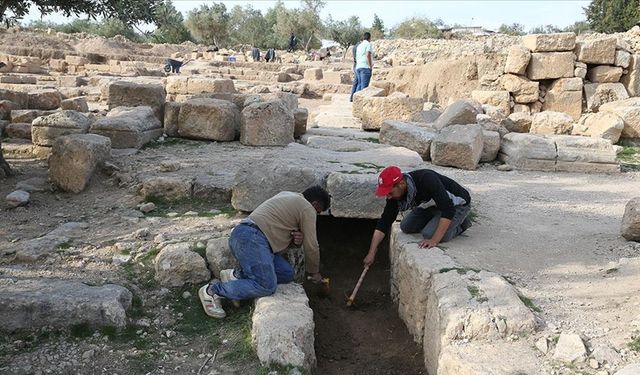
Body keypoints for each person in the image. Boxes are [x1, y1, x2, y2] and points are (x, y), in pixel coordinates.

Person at [199, 186, 331, 318]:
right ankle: (212, 291)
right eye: (318, 212)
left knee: (286, 273)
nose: (316, 215)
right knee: (266, 285)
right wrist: (314, 272)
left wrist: (296, 242)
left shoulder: (288, 194)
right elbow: (312, 245)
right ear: (315, 204)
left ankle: (236, 275)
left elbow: (277, 233)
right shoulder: (307, 208)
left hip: (248, 237)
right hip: (252, 239)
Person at [363, 166, 472, 267]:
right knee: (406, 226)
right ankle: (438, 219)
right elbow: (384, 222)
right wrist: (371, 253)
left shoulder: (426, 179)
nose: (388, 197)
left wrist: (434, 240)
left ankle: (461, 225)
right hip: (432, 205)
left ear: (401, 184)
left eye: (390, 193)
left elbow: (448, 210)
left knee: (429, 234)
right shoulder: (396, 196)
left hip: (456, 205)